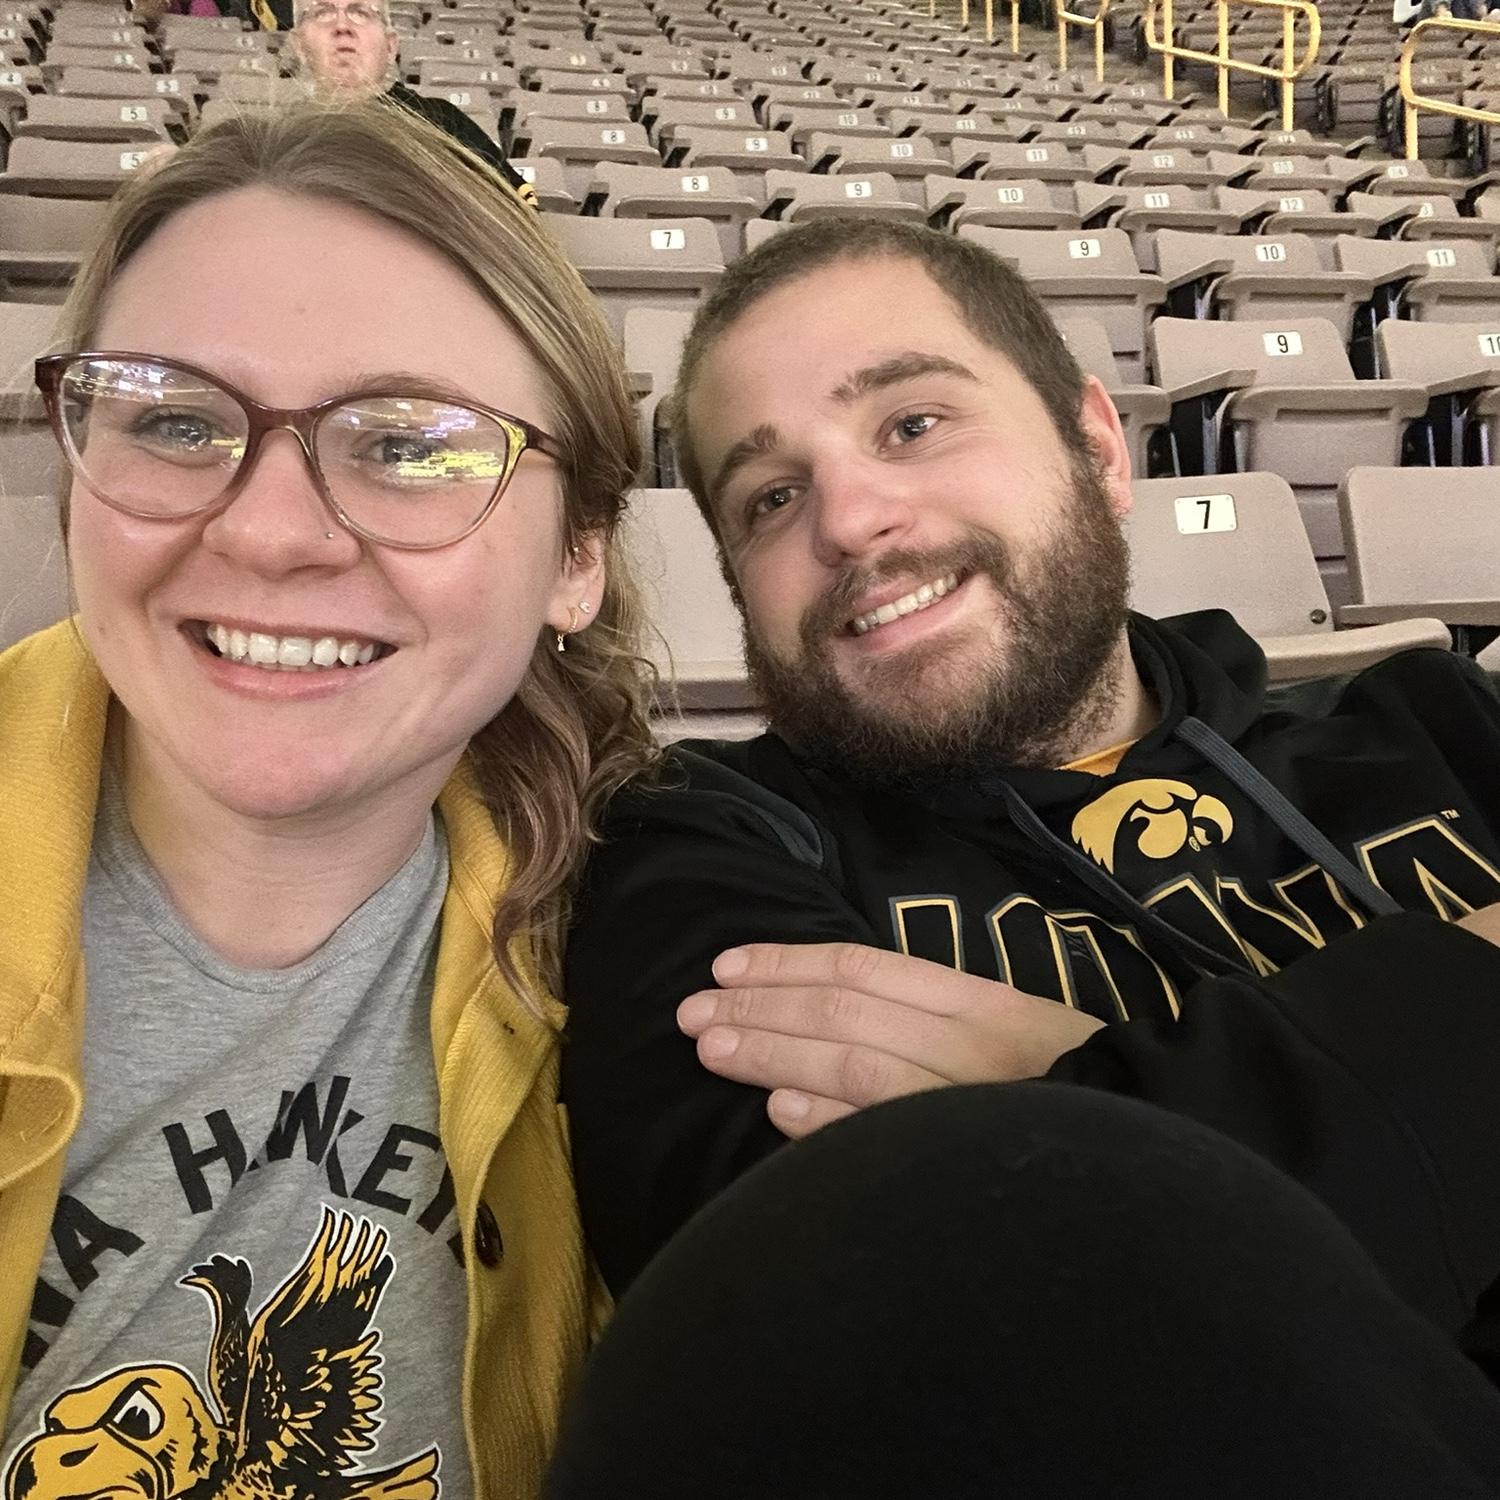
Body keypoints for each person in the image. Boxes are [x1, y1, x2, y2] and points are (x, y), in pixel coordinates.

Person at [561, 218, 1500, 1322]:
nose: (849, 521)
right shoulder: (702, 853)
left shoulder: (1440, 718)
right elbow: (851, 1336)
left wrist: (1088, 1108)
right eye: (770, 497)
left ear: (1098, 450)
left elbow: (1058, 1267)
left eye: (912, 424)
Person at [0, 99, 654, 1500]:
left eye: (410, 444)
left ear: (578, 556)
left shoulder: (666, 937)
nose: (268, 532)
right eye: (177, 420)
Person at [289, 0, 539, 208]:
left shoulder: (442, 121)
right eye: (322, 13)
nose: (342, 26)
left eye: (361, 12)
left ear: (391, 46)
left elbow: (518, 208)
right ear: (298, 45)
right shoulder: (280, 136)